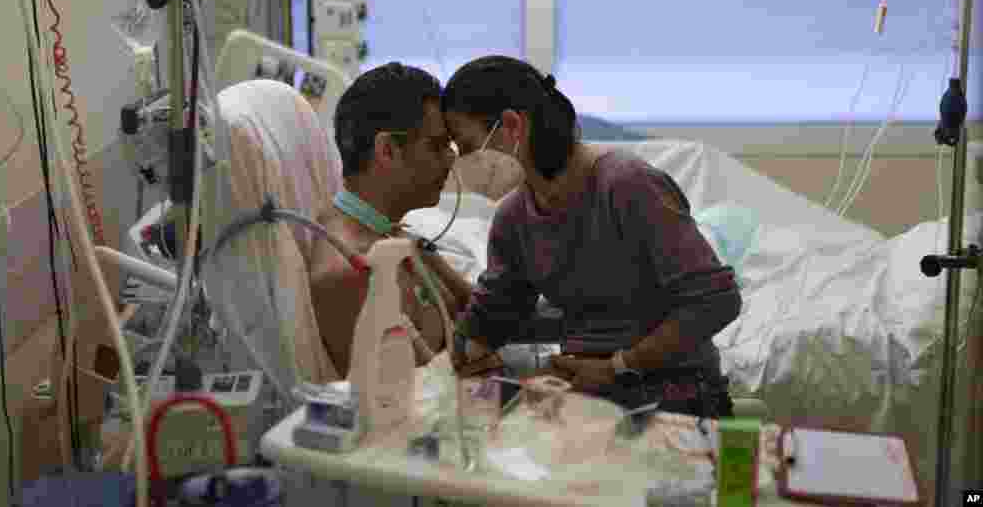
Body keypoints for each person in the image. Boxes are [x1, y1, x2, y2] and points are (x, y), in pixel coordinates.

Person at [442, 55, 742, 417]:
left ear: (510, 126)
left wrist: (617, 365)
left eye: (466, 146)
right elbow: (496, 312)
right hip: (589, 394)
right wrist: (455, 348)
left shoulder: (626, 185)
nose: (458, 163)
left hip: (676, 394)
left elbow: (717, 300)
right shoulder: (514, 217)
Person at [307, 62, 475, 376]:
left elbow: (474, 306)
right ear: (387, 151)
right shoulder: (352, 274)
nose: (452, 157)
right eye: (437, 145)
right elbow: (408, 409)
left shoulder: (387, 230)